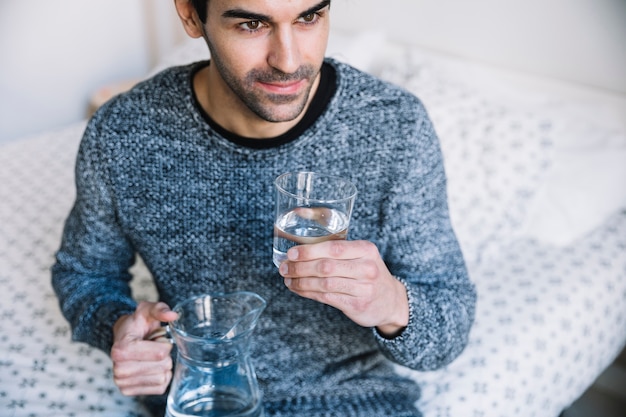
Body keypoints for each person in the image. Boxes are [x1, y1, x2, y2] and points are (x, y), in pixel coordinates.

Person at [51, 0, 476, 416]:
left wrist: (390, 303)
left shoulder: (393, 126)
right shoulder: (123, 133)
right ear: (190, 14)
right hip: (202, 400)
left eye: (309, 17)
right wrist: (118, 326)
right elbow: (84, 274)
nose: (289, 61)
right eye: (251, 25)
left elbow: (449, 324)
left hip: (352, 400)